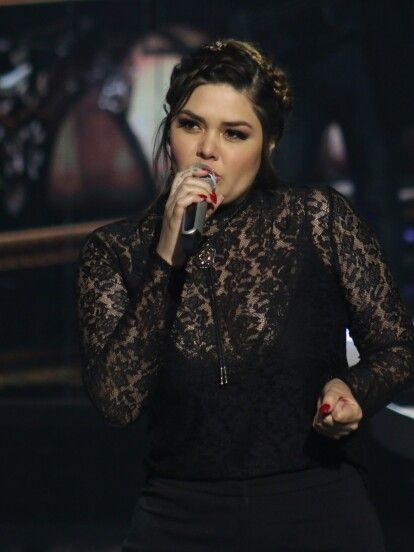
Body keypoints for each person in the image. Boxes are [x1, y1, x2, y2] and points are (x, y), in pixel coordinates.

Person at [77, 39, 414, 551]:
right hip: (180, 515)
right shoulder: (116, 251)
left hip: (317, 507)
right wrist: (166, 256)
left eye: (234, 133)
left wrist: (353, 391)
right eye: (191, 125)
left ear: (269, 144)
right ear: (170, 131)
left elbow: (398, 348)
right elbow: (117, 403)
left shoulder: (316, 221)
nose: (207, 149)